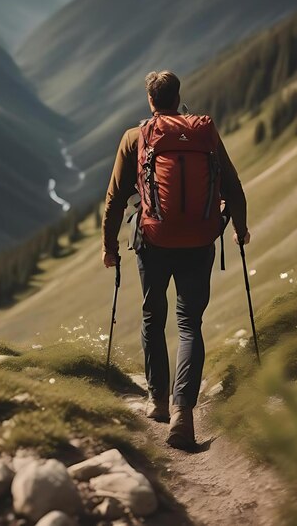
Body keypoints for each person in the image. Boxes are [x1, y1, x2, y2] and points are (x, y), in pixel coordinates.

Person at [101, 70, 250, 451]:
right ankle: (184, 412)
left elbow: (115, 199)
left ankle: (158, 403)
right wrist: (240, 229)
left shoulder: (136, 137)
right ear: (178, 95)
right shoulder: (203, 133)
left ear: (151, 101)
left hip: (154, 240)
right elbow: (232, 186)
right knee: (189, 324)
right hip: (200, 239)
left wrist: (109, 247)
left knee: (153, 318)